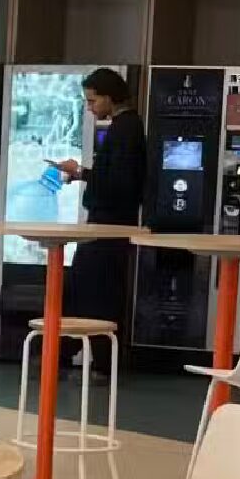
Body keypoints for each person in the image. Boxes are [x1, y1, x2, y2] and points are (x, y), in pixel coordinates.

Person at [55, 67, 148, 348]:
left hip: (109, 226)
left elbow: (121, 183)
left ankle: (84, 352)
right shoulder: (126, 126)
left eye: (92, 101)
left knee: (91, 293)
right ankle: (89, 353)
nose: (89, 107)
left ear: (110, 97)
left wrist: (81, 172)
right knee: (93, 291)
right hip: (110, 225)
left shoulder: (125, 128)